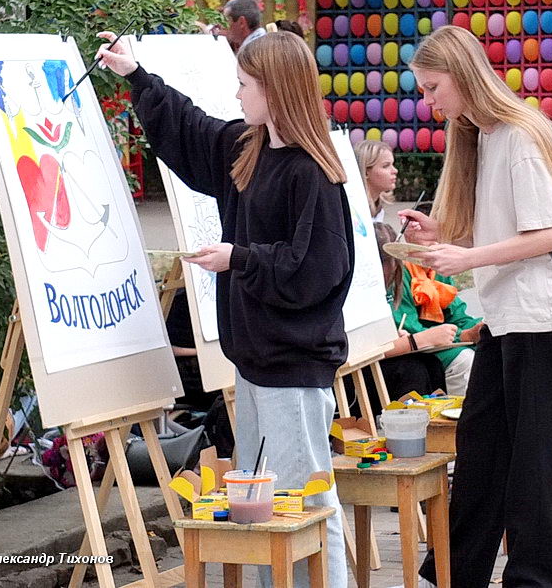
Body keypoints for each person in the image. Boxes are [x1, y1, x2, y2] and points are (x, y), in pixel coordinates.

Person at [95, 30, 350, 588]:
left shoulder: (312, 172)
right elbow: (192, 130)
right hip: (255, 359)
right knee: (264, 498)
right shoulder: (249, 148)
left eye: (244, 85)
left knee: (304, 500)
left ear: (274, 90)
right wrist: (136, 75)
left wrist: (240, 258)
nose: (237, 95)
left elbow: (317, 269)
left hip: (292, 363)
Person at [399, 26, 552, 588]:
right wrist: (444, 233)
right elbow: (506, 226)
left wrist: (468, 254)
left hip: (539, 316)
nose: (428, 102)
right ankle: (455, 571)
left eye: (433, 87)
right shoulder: (483, 135)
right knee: (482, 447)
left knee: (534, 456)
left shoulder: (519, 135)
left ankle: (535, 576)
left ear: (463, 76)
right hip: (508, 316)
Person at [374, 222, 481, 398]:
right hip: (418, 346)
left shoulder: (438, 270)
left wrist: (477, 329)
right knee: (463, 361)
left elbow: (457, 313)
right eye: (422, 231)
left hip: (430, 342)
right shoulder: (400, 273)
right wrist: (461, 336)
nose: (434, 243)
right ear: (408, 234)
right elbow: (409, 326)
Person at [354, 140, 397, 221]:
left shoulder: (378, 208)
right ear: (366, 172)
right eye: (385, 166)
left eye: (392, 164)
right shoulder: (353, 210)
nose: (395, 170)